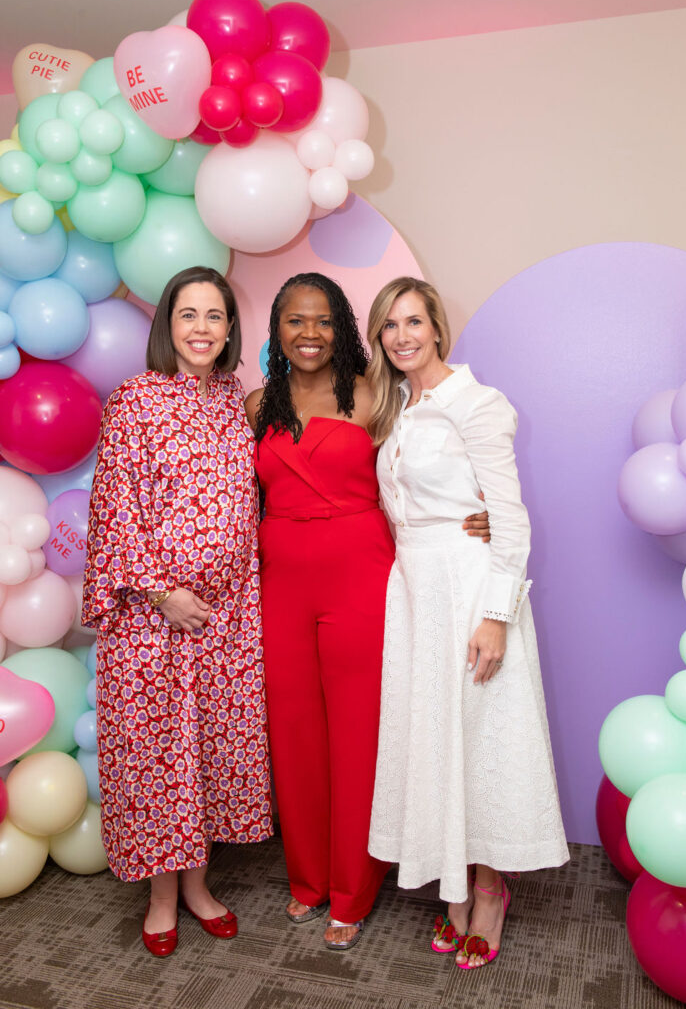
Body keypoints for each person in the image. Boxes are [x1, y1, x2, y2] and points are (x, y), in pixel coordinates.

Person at [245, 273, 491, 951]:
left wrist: (479, 514)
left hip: (360, 571)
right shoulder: (256, 404)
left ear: (343, 328)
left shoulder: (376, 395)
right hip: (281, 581)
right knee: (293, 731)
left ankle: (353, 889)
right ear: (277, 329)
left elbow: (427, 465)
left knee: (358, 734)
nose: (309, 333)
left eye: (323, 320)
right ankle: (307, 881)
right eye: (295, 321)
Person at [366, 277, 569, 970]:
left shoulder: (476, 404)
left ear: (437, 328)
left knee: (481, 737)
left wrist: (495, 615)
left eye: (414, 321)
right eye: (389, 325)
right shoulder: (396, 408)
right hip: (416, 588)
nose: (402, 336)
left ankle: (487, 892)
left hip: (467, 587)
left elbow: (509, 519)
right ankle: (453, 880)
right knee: (437, 736)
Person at [82, 266, 273, 958]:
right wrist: (163, 592)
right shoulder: (134, 400)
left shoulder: (233, 401)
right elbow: (114, 509)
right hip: (152, 613)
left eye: (214, 316)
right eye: (187, 314)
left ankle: (198, 886)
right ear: (168, 325)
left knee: (210, 753)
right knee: (155, 753)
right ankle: (162, 897)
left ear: (229, 329)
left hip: (225, 620)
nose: (200, 328)